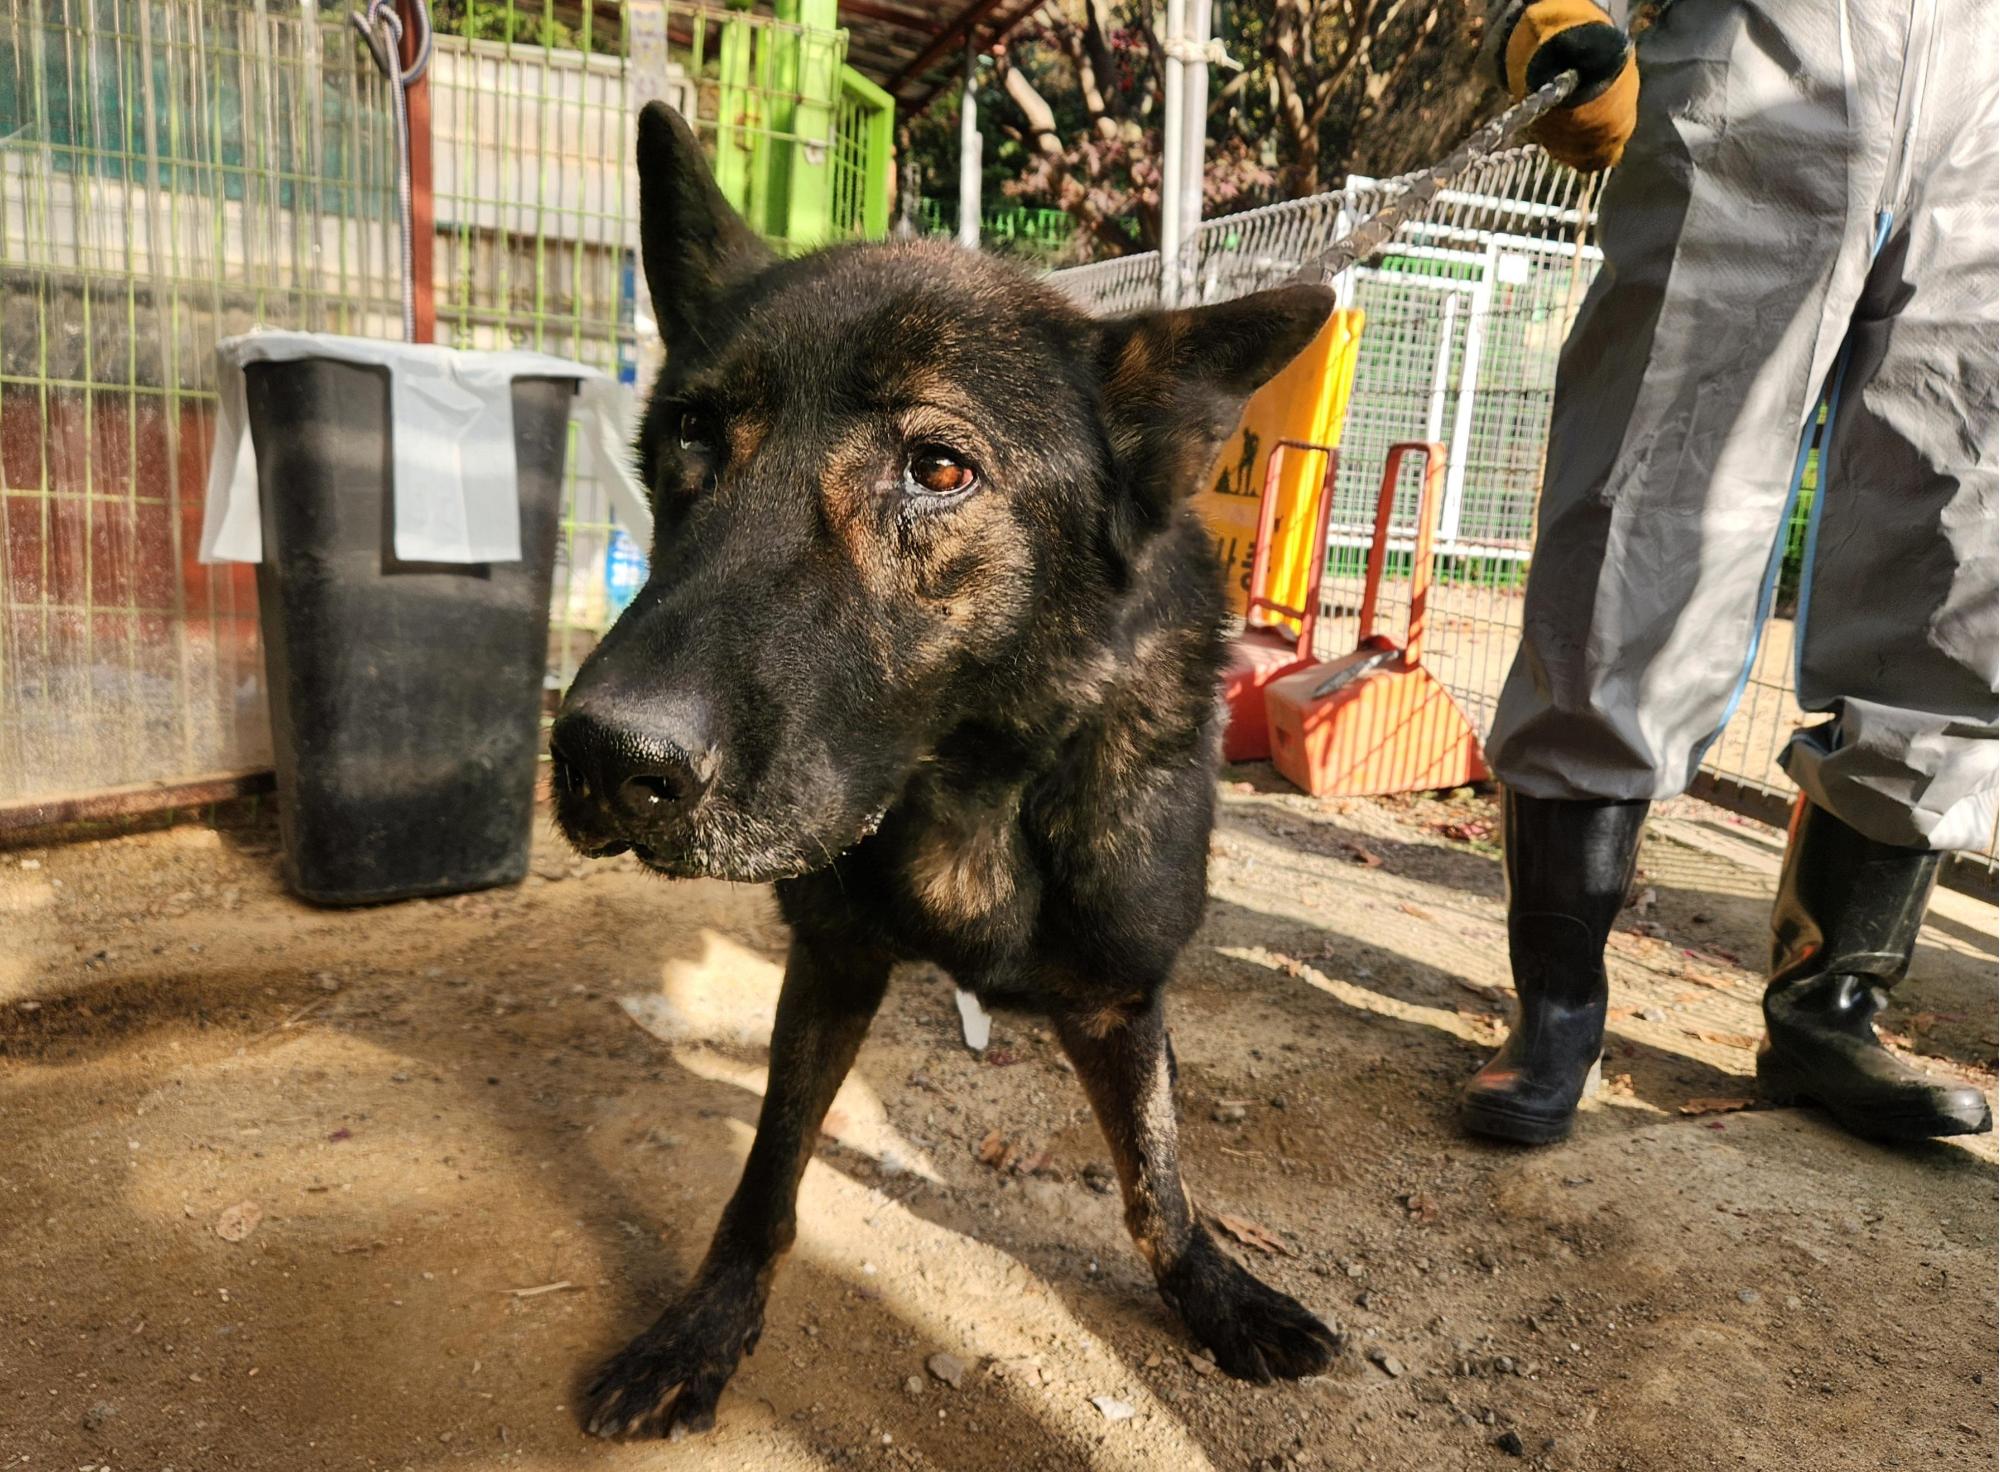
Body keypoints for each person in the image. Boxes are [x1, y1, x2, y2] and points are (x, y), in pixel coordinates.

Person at [1459, 0, 1998, 1144]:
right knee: (1643, 490)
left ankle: (1830, 1004)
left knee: (1959, 541)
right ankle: (1555, 1002)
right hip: (1769, 45)